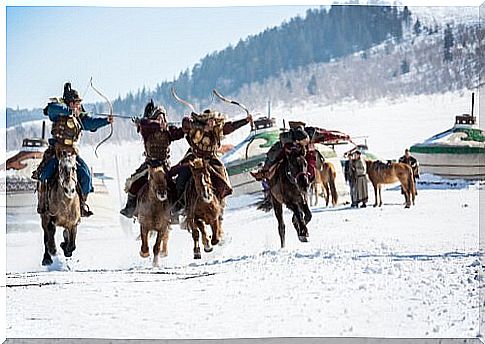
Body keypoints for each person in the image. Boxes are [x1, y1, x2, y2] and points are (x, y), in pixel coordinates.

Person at [32, 82, 113, 217]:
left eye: (79, 103)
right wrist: (69, 111)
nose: (78, 105)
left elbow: (91, 123)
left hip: (72, 154)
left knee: (86, 176)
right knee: (44, 174)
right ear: (69, 103)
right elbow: (51, 109)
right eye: (76, 103)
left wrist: (106, 121)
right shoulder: (58, 112)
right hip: (56, 152)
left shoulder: (79, 117)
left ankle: (81, 205)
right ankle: (42, 202)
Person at [168, 109, 252, 215]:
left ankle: (220, 203)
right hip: (195, 158)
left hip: (211, 159)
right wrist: (202, 127)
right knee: (181, 178)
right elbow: (185, 122)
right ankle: (180, 204)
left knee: (222, 177)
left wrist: (245, 121)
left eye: (213, 120)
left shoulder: (217, 129)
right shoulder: (195, 128)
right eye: (209, 121)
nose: (211, 123)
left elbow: (230, 127)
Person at [120, 100, 185, 218]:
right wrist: (157, 124)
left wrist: (187, 125)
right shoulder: (147, 130)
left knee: (173, 186)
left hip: (164, 165)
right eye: (158, 118)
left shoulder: (168, 131)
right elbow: (145, 123)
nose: (162, 120)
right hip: (150, 164)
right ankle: (130, 208)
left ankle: (174, 210)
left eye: (163, 118)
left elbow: (180, 133)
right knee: (135, 183)